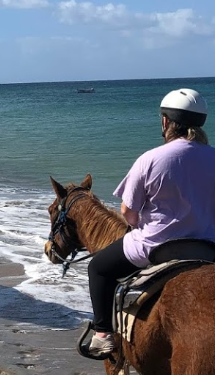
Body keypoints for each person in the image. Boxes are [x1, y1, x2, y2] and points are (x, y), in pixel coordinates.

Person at [86, 88, 215, 355]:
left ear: (166, 122)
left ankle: (102, 335)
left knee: (98, 267)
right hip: (208, 246)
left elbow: (128, 213)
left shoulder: (152, 158)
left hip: (155, 246)